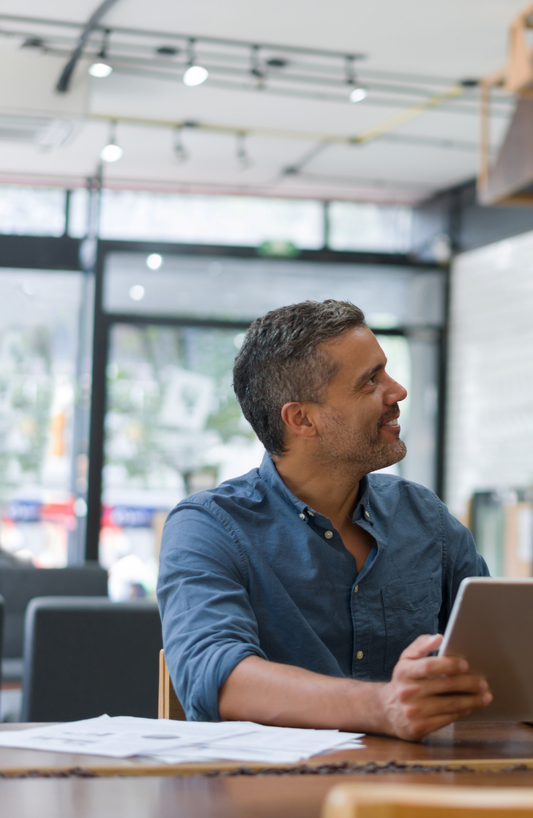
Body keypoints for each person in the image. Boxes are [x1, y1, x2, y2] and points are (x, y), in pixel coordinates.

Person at [158, 300, 492, 741]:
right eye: (369, 381)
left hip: (415, 791)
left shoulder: (424, 517)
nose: (397, 392)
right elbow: (217, 678)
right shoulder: (208, 527)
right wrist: (380, 705)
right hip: (270, 797)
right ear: (302, 419)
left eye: (385, 371)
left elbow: (493, 647)